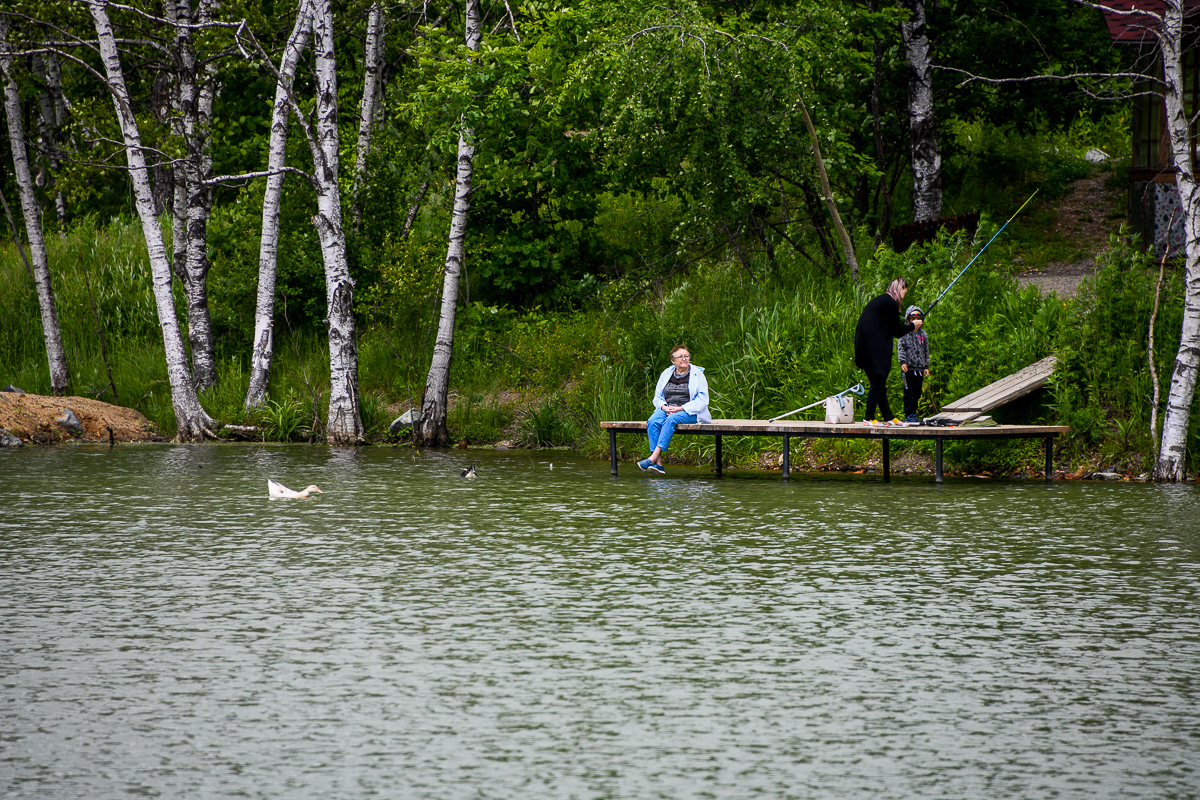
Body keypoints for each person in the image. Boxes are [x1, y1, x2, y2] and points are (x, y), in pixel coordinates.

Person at [853, 277, 922, 426]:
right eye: (904, 291)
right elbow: (897, 331)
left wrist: (910, 326)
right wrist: (912, 326)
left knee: (879, 384)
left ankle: (888, 417)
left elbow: (891, 329)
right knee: (879, 380)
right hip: (872, 348)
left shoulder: (882, 302)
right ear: (900, 288)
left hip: (863, 347)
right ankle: (868, 417)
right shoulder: (890, 303)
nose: (904, 296)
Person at [639, 345, 711, 475]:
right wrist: (664, 407)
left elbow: (703, 400)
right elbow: (657, 397)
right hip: (668, 408)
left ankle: (653, 457)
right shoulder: (667, 373)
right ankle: (658, 464)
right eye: (680, 357)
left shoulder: (697, 374)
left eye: (686, 356)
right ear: (673, 360)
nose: (684, 359)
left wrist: (680, 408)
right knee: (652, 421)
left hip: (689, 411)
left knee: (671, 419)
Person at [897, 305, 930, 423]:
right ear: (909, 320)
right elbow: (901, 348)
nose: (916, 322)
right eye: (913, 319)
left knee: (917, 393)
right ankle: (908, 415)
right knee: (909, 393)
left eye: (918, 319)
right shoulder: (904, 333)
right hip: (908, 369)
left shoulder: (923, 335)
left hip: (919, 368)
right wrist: (903, 362)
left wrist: (926, 366)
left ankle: (914, 414)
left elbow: (926, 351)